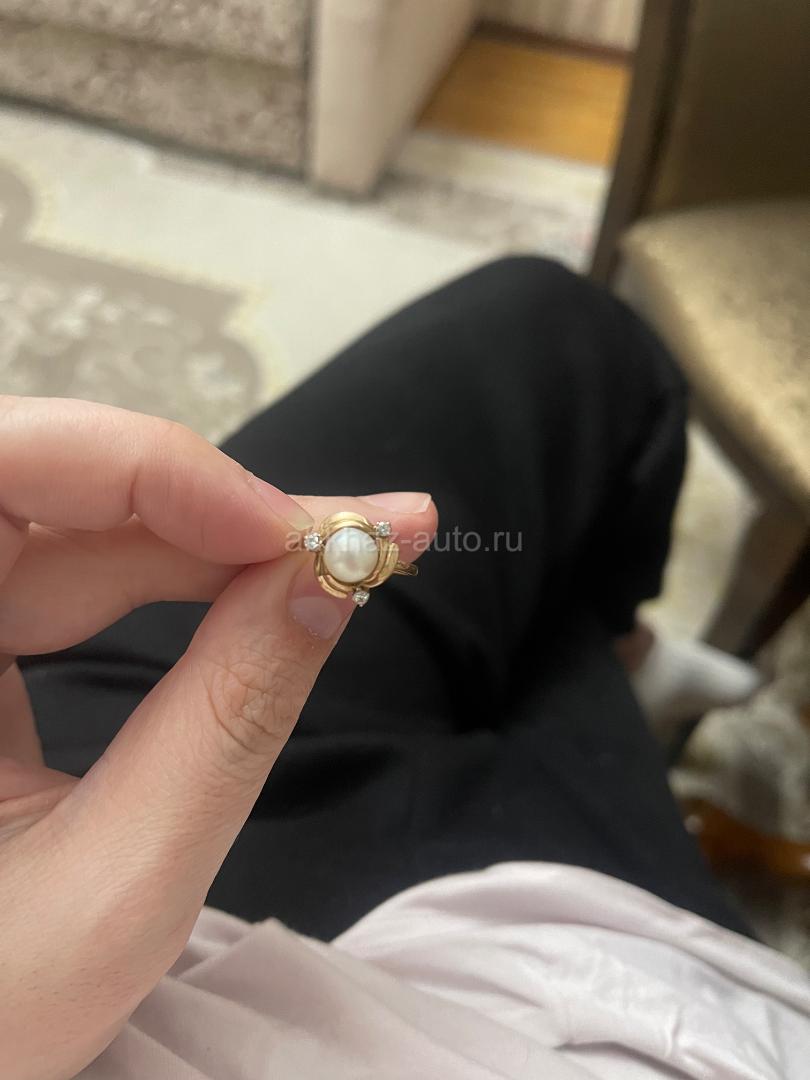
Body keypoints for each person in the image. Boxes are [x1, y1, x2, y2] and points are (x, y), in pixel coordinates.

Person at [1, 258, 806, 1078]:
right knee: (558, 632)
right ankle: (623, 659)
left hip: (105, 869)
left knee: (553, 323)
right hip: (465, 968)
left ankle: (627, 657)